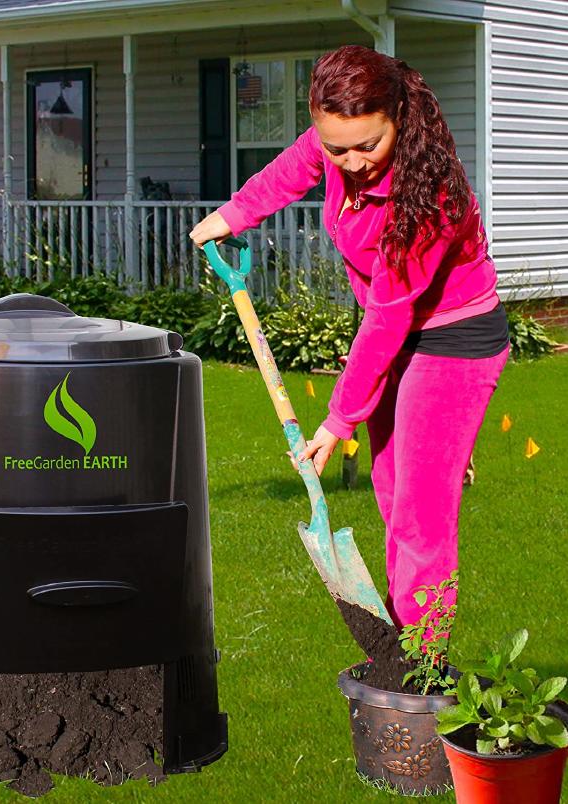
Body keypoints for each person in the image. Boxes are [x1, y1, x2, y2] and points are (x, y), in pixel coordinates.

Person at [189, 45, 509, 629]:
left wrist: (338, 421)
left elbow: (388, 314)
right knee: (391, 492)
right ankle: (406, 631)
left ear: (400, 119)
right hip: (399, 333)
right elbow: (292, 169)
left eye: (369, 145)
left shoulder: (430, 195)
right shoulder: (332, 145)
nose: (354, 161)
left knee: (420, 514)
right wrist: (233, 215)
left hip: (453, 338)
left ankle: (424, 663)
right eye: (337, 147)